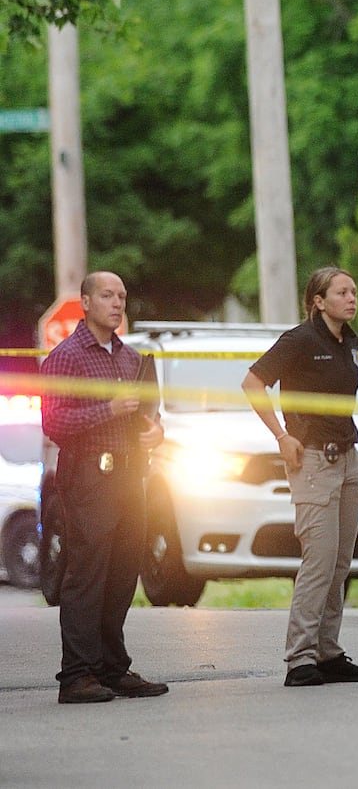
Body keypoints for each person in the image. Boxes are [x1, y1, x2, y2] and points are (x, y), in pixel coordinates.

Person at [242, 267, 358, 688]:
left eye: (353, 291)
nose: (351, 298)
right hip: (312, 459)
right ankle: (299, 658)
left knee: (339, 563)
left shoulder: (349, 341)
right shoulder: (300, 339)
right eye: (341, 292)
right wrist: (282, 436)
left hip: (348, 456)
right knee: (318, 562)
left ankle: (327, 651)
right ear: (318, 301)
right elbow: (252, 383)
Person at [41, 271, 169, 704]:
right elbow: (54, 423)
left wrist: (155, 431)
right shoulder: (66, 357)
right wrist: (107, 408)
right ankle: (75, 676)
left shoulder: (130, 359)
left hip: (131, 477)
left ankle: (112, 668)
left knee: (122, 574)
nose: (117, 303)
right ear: (86, 302)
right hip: (89, 477)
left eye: (122, 297)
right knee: (87, 574)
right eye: (107, 296)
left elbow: (146, 417)